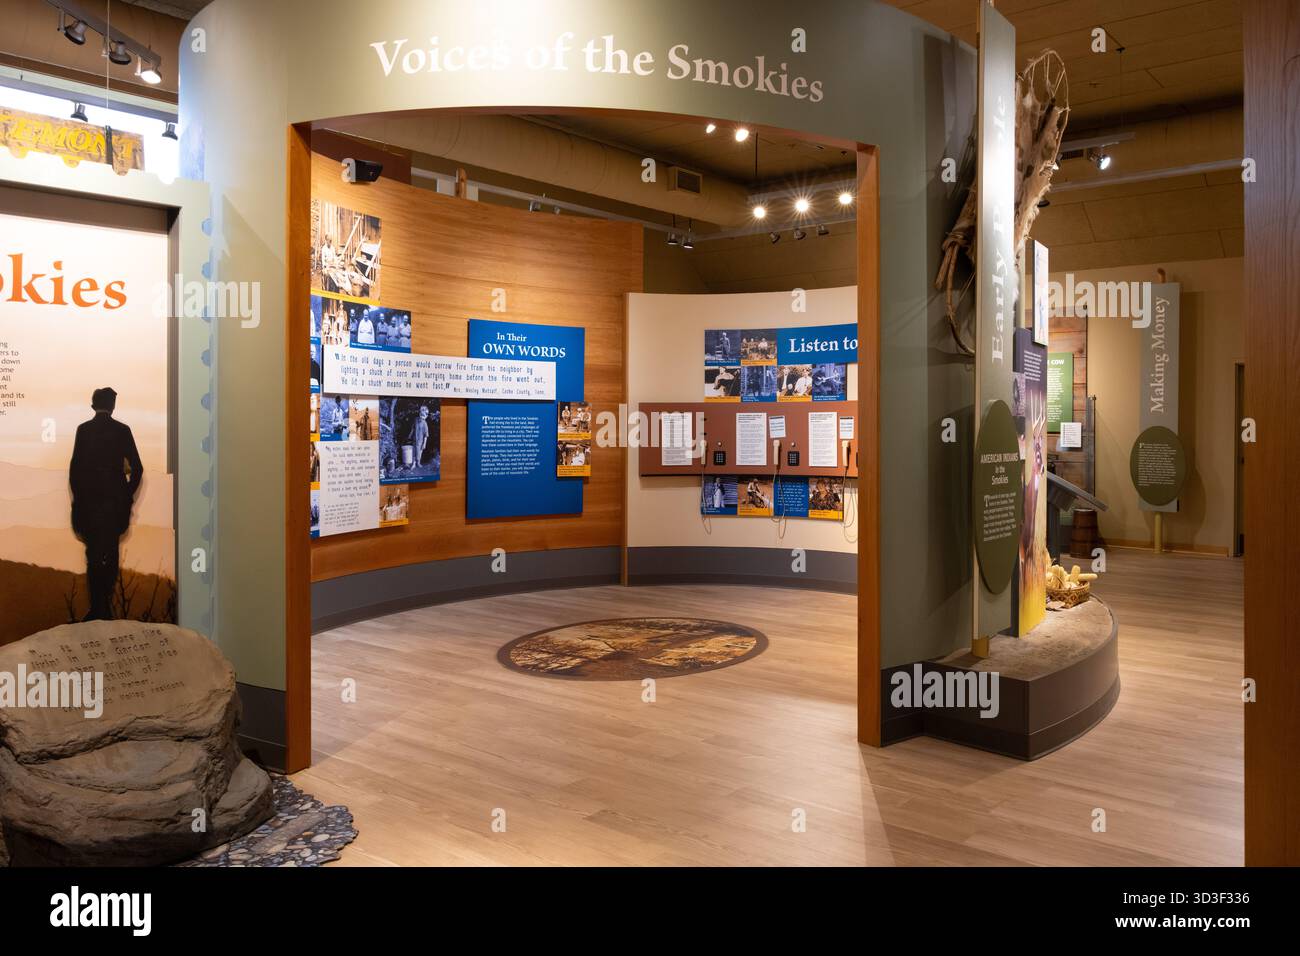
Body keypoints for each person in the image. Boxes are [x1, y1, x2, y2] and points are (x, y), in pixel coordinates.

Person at [69, 388, 142, 621]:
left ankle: (98, 608)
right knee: (110, 554)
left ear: (94, 405)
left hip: (90, 504)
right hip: (113, 505)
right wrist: (126, 494)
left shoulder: (84, 430)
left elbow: (74, 471)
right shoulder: (122, 431)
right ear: (112, 406)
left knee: (93, 556)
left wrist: (79, 500)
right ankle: (104, 607)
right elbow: (137, 469)